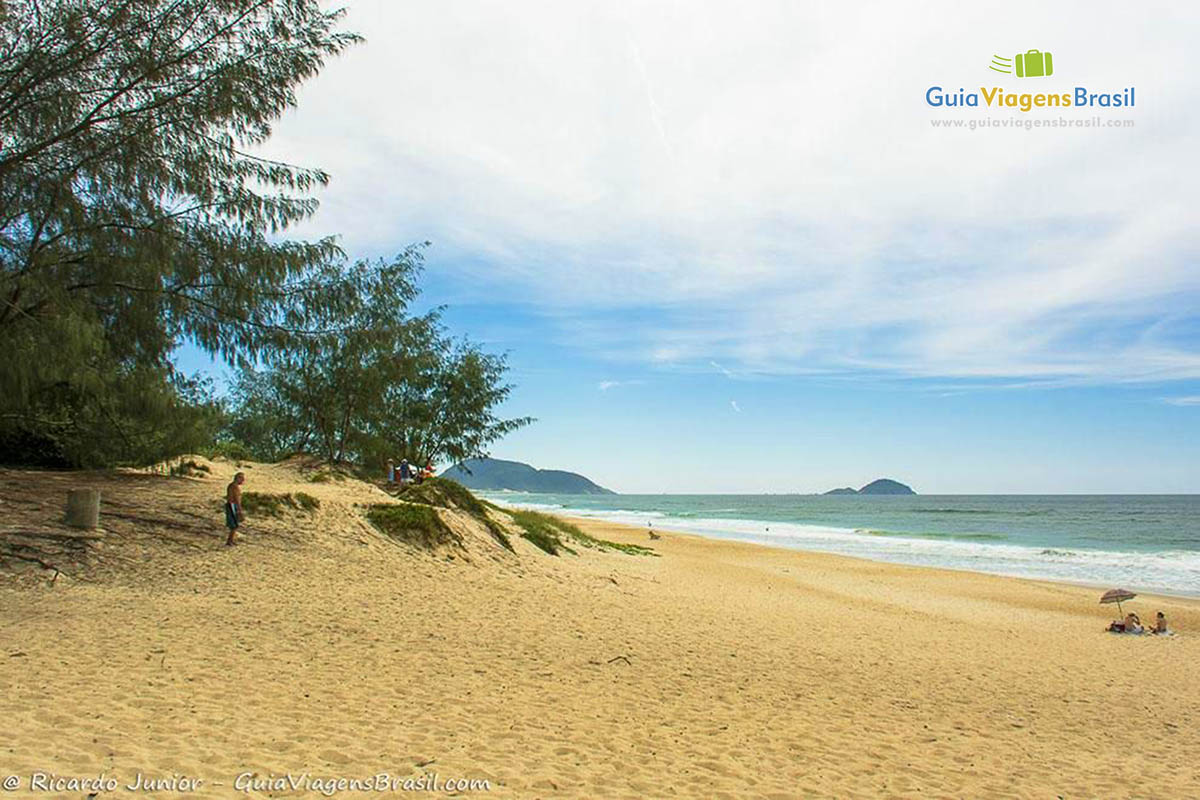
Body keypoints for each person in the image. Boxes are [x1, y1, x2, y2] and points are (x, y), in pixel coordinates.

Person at [225, 472, 245, 546]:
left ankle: (231, 540)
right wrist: (239, 509)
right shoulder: (234, 486)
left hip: (231, 505)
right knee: (234, 524)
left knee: (234, 524)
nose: (243, 481)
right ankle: (230, 541)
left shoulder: (232, 485)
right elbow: (236, 499)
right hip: (232, 505)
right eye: (242, 479)